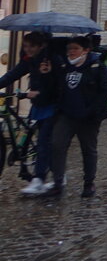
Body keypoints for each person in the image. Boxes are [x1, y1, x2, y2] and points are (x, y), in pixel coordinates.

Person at [47, 35, 107, 199]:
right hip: (67, 115)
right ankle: (58, 182)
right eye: (69, 49)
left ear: (86, 50)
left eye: (75, 49)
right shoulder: (64, 66)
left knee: (88, 150)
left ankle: (89, 183)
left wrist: (91, 110)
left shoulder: (97, 67)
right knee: (57, 145)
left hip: (89, 118)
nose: (71, 52)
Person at [0, 32, 61, 196]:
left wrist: (43, 81)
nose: (27, 49)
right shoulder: (31, 60)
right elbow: (14, 73)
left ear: (41, 46)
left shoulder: (52, 60)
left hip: (52, 105)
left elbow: (56, 86)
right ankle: (58, 175)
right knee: (44, 141)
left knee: (43, 142)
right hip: (39, 105)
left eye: (31, 46)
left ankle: (39, 180)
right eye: (25, 46)